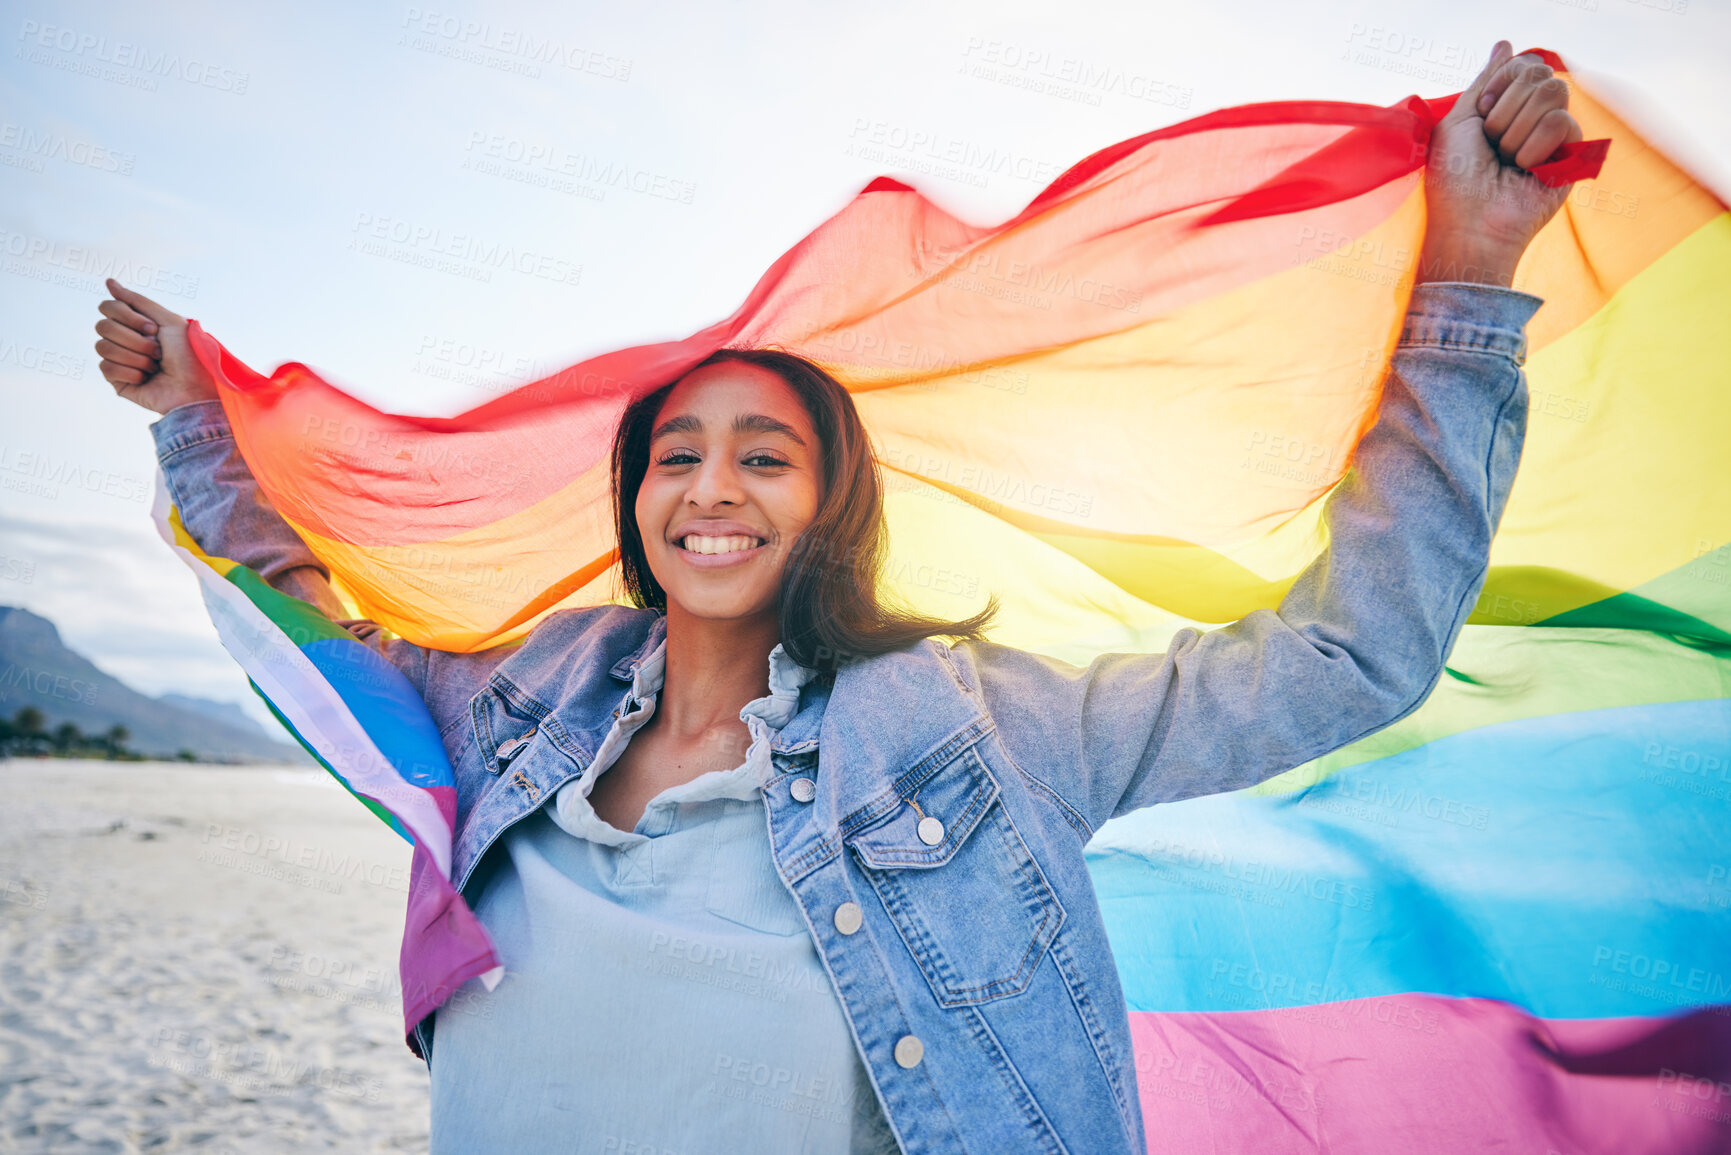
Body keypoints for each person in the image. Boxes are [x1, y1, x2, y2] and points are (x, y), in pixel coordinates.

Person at [93, 41, 1580, 1155]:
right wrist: (191, 423)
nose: (713, 487)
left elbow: (1341, 657)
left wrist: (1468, 272)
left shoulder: (967, 729)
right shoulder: (522, 705)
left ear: (830, 508)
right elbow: (320, 656)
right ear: (639, 506)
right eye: (677, 455)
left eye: (765, 456)